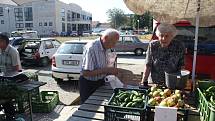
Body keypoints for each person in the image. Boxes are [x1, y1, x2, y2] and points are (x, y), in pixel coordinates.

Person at [79, 28, 120, 104]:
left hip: (100, 82)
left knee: (99, 105)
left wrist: (110, 70)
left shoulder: (107, 47)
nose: (114, 45)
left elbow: (106, 65)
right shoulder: (91, 48)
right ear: (106, 38)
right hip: (88, 84)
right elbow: (85, 73)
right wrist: (107, 70)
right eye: (113, 42)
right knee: (87, 108)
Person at [0, 33, 22, 120]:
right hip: (3, 77)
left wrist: (7, 79)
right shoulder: (1, 51)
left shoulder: (13, 51)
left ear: (5, 42)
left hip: (12, 79)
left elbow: (17, 69)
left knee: (5, 96)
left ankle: (10, 115)